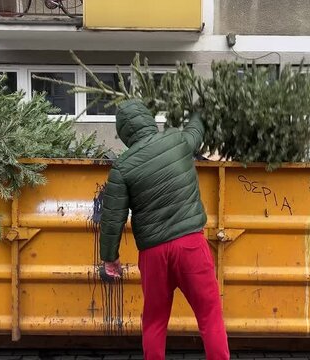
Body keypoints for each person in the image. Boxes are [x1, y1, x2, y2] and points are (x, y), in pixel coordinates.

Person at [98, 99, 229, 360]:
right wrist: (200, 110)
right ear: (148, 120)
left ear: (124, 134)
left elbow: (112, 218)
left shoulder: (122, 168)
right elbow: (196, 131)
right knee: (209, 315)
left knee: (155, 320)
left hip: (153, 254)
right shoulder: (176, 140)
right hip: (190, 245)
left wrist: (109, 257)